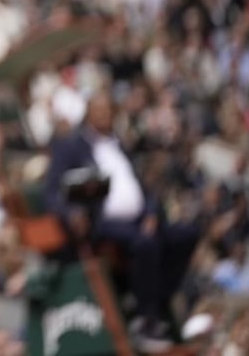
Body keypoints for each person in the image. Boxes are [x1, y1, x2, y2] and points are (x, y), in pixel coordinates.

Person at [44, 93, 200, 352]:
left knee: (187, 234)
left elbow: (143, 188)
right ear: (89, 113)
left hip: (140, 221)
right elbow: (52, 193)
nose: (105, 115)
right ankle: (145, 322)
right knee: (145, 244)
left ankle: (157, 300)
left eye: (109, 109)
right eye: (99, 110)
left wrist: (151, 212)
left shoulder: (121, 145)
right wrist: (71, 213)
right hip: (101, 224)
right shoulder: (71, 146)